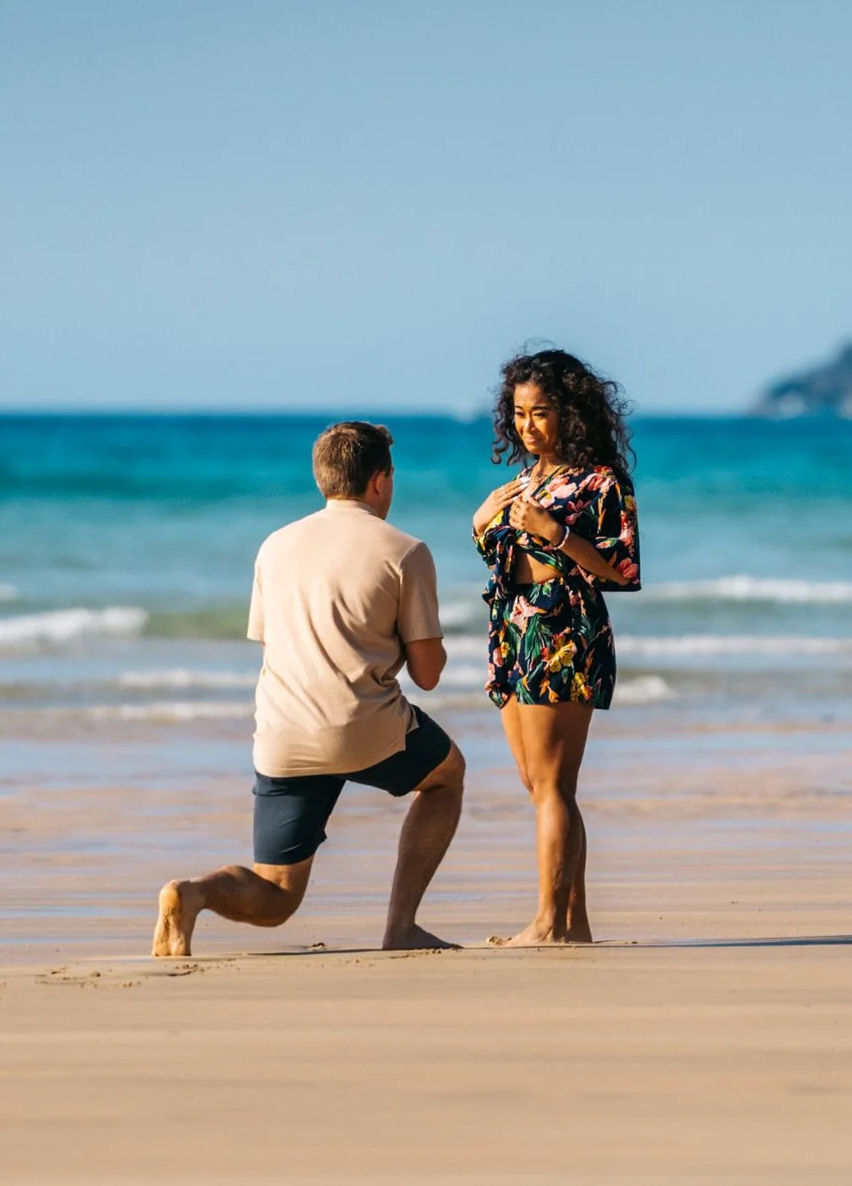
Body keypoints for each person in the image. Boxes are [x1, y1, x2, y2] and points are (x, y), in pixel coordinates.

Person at [152, 420, 464, 957]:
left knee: (276, 896)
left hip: (283, 733)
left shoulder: (275, 545)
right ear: (380, 480)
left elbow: (270, 639)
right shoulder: (405, 551)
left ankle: (193, 892)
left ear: (323, 479)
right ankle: (401, 927)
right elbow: (428, 675)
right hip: (363, 727)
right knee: (447, 776)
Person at [472, 348, 641, 946]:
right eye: (519, 414)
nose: (527, 426)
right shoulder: (525, 480)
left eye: (540, 413)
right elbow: (502, 554)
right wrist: (480, 522)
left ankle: (548, 923)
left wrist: (558, 533)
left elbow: (622, 569)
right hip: (513, 629)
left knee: (552, 785)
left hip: (563, 630)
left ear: (570, 412)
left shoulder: (601, 481)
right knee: (538, 783)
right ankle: (574, 923)